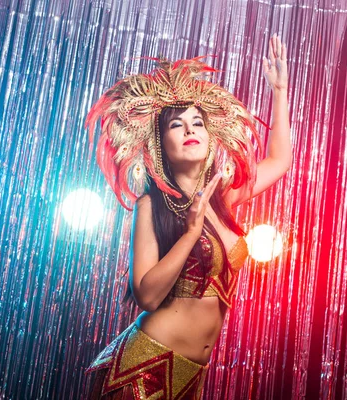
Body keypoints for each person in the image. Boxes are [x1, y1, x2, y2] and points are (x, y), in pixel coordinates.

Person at [84, 34, 291, 399]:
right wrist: (191, 231)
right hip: (143, 371)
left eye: (197, 122)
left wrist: (279, 91)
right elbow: (146, 296)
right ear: (160, 143)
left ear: (210, 138)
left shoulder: (223, 196)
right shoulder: (153, 205)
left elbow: (279, 162)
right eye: (177, 124)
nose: (191, 129)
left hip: (192, 376)